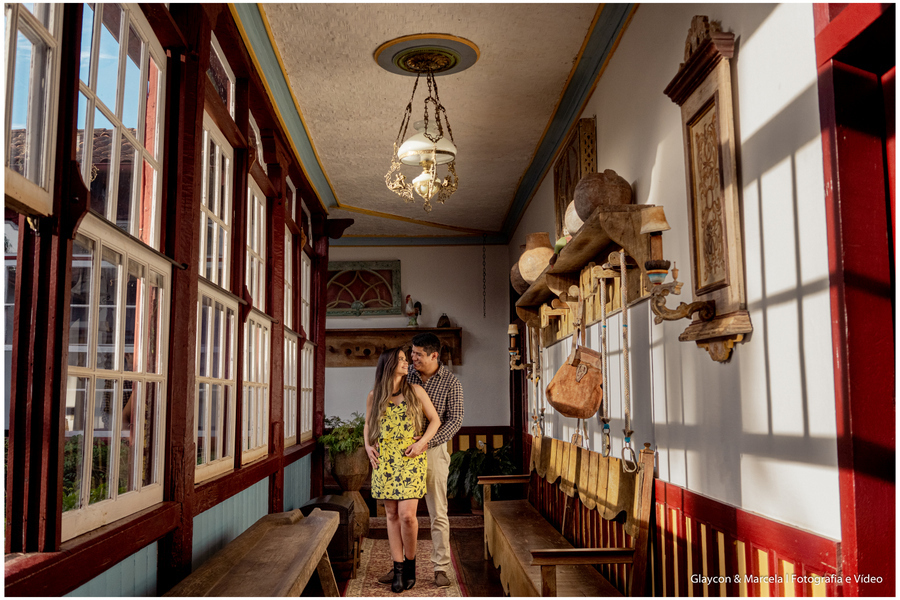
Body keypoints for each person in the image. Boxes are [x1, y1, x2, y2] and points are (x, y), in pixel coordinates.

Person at [377, 332, 464, 588]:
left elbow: (455, 420)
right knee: (403, 515)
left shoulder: (451, 382)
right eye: (411, 353)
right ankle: (401, 569)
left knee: (438, 511)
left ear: (434, 355)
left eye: (418, 354)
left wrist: (426, 442)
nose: (412, 358)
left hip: (433, 451)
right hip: (402, 455)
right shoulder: (407, 375)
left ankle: (440, 567)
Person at [365, 347, 441, 593]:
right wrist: (367, 447)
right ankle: (398, 569)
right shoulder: (375, 396)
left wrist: (421, 443)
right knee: (391, 515)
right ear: (388, 365)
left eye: (405, 359)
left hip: (410, 460)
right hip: (385, 461)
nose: (406, 362)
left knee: (407, 516)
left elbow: (435, 420)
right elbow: (367, 424)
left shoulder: (416, 391)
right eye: (400, 359)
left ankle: (410, 565)